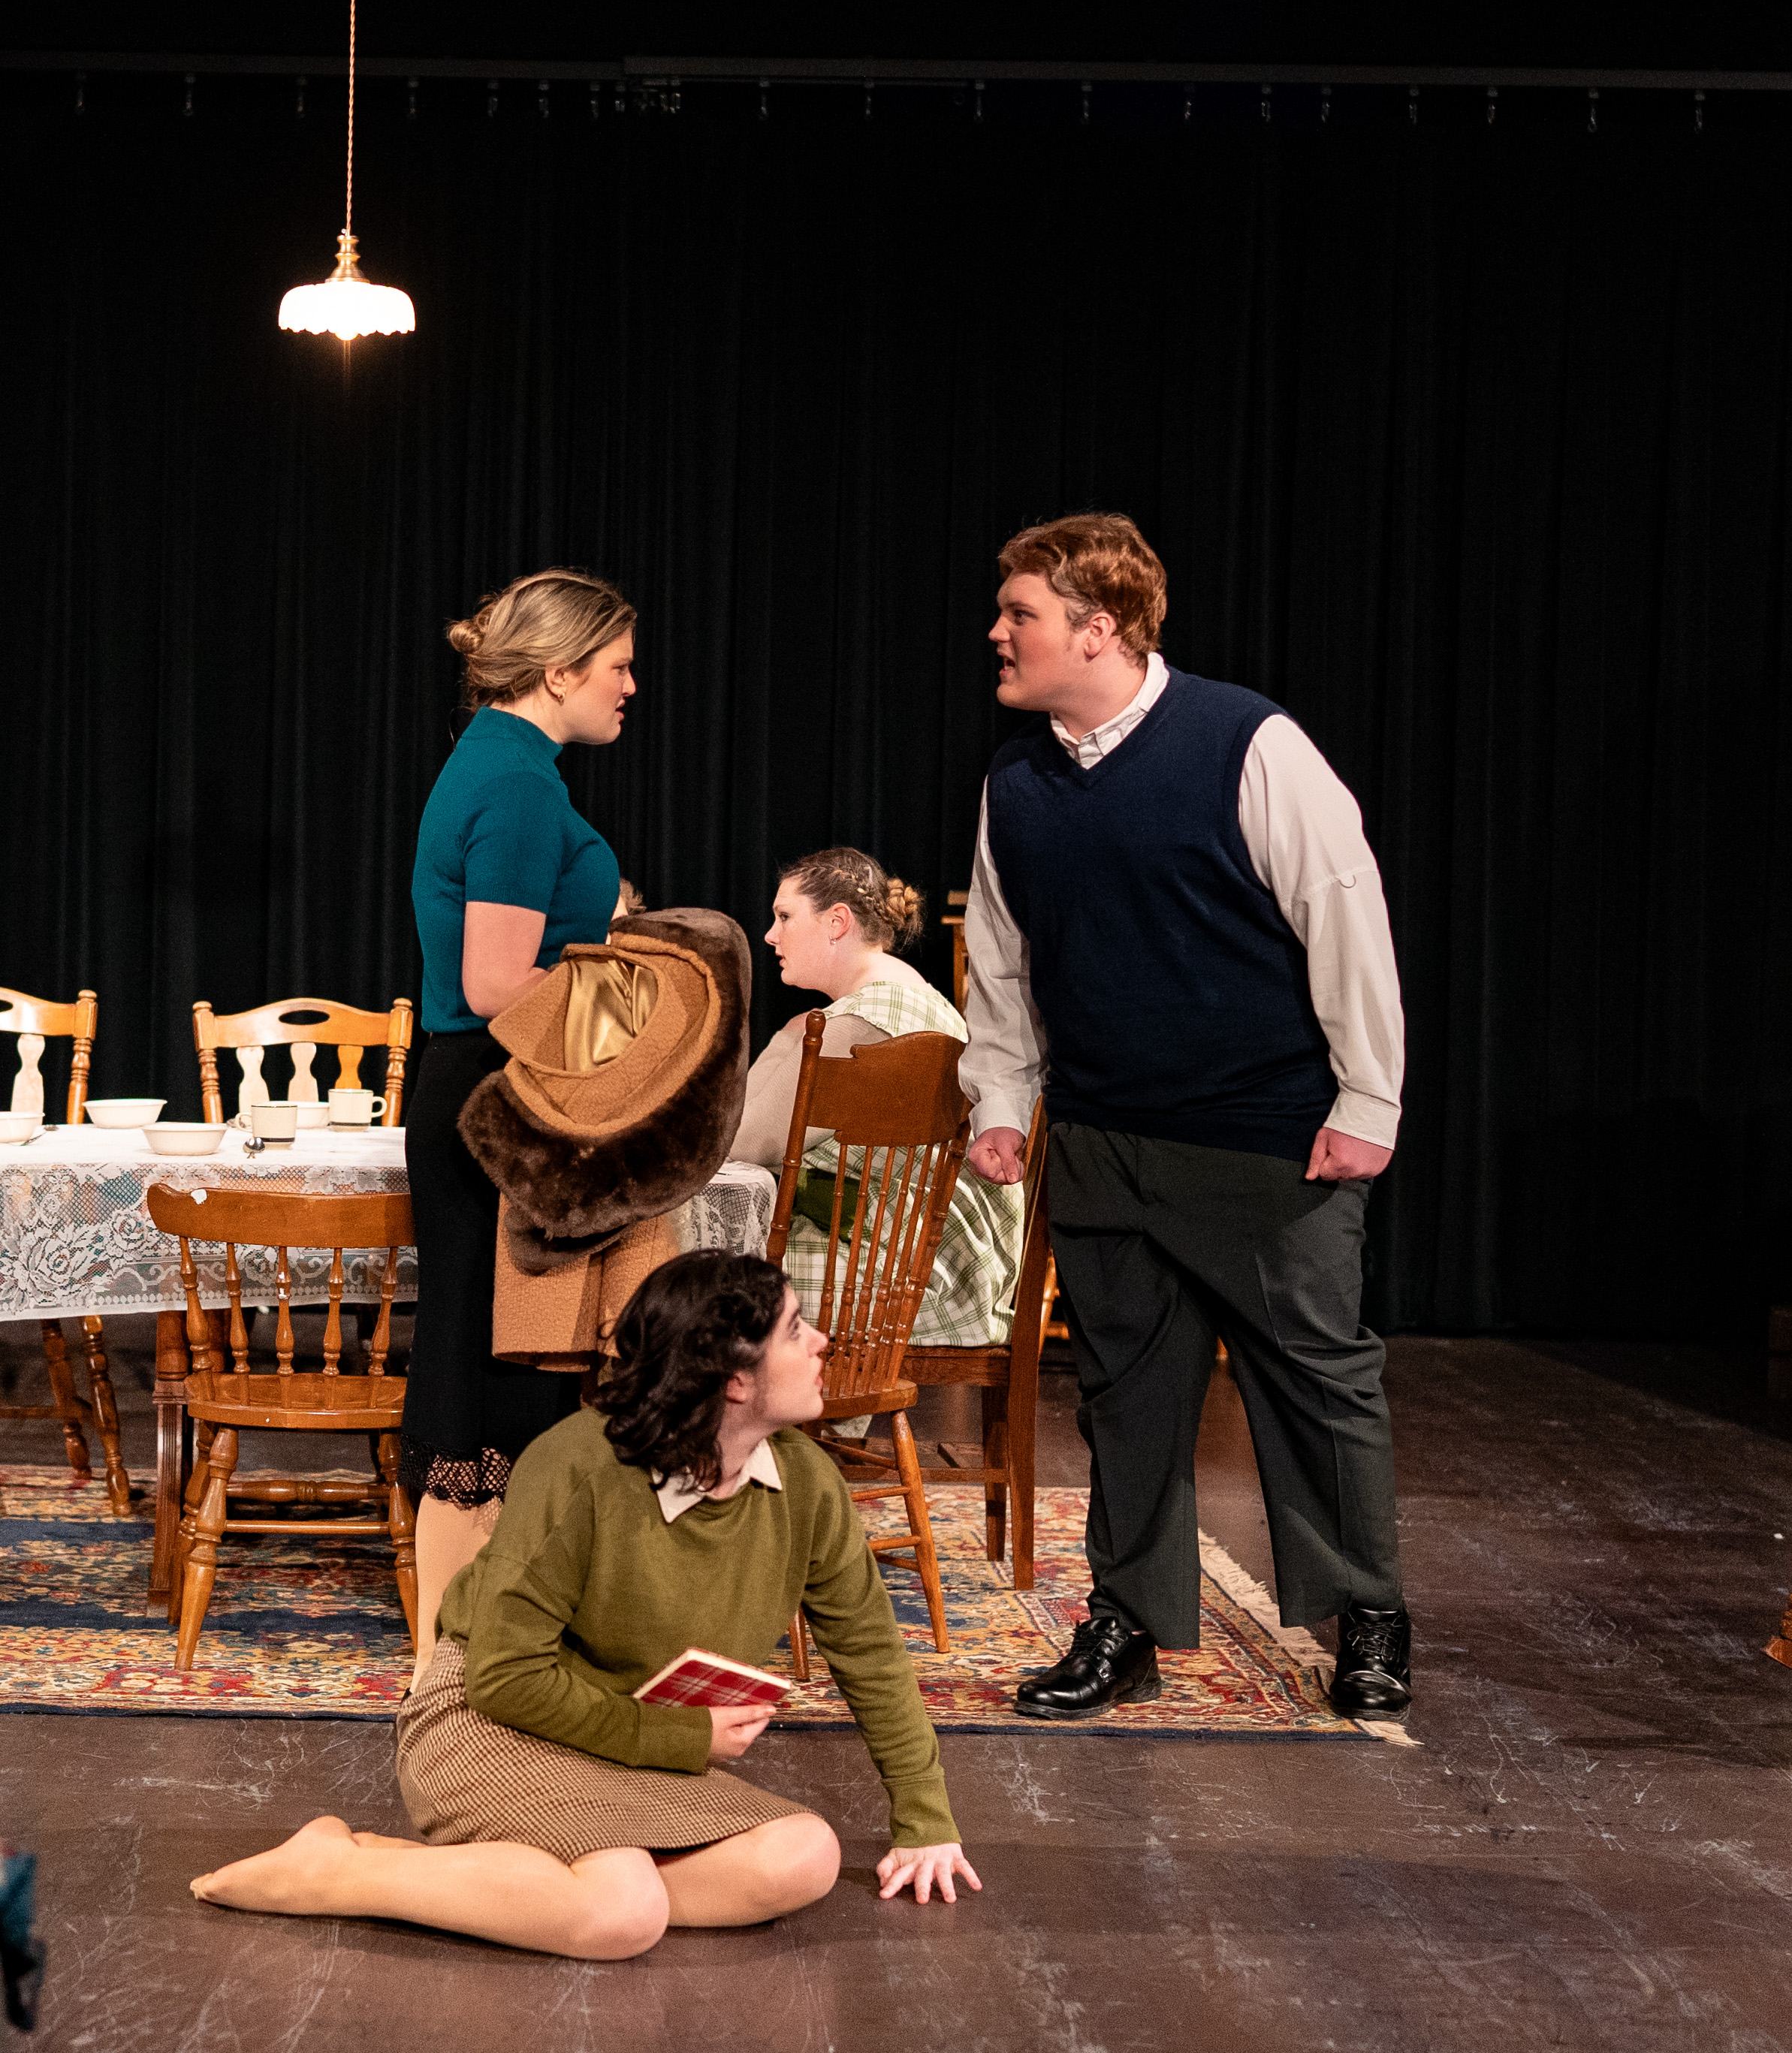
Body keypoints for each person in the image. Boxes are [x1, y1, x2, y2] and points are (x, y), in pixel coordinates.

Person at [190, 1252, 980, 1958]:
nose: (821, 1343)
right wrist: (683, 1735)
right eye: (795, 1330)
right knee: (621, 1910)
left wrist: (926, 1819)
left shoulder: (806, 1482)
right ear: (733, 1379)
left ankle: (540, 1885)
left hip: (619, 1738)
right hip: (487, 1719)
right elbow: (504, 1678)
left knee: (803, 1856)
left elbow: (870, 1651)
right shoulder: (578, 1466)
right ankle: (340, 1871)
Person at [959, 514, 1412, 1720]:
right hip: (1102, 1136)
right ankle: (1128, 1620)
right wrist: (999, 1097)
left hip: (1264, 1136)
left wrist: (1368, 1097)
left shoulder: (1245, 742)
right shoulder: (1016, 780)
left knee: (1313, 1382)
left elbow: (1344, 916)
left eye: (1019, 613)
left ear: (1095, 628)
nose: (996, 632)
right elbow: (1001, 961)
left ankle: (1366, 1614)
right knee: (1125, 1390)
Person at [402, 568, 638, 1684]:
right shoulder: (517, 782)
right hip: (496, 1097)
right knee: (481, 1359)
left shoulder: (503, 764)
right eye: (618, 666)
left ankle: (488, 1640)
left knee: (502, 1355)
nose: (629, 686)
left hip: (496, 1091)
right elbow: (495, 982)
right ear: (557, 671)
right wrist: (632, 1004)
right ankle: (449, 1662)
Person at [730, 848, 1023, 1351]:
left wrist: (784, 1040)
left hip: (911, 1280)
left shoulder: (860, 1022)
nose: (771, 935)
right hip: (963, 1269)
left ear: (837, 921)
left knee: (701, 1276)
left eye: (785, 916)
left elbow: (743, 1143)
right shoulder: (915, 997)